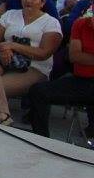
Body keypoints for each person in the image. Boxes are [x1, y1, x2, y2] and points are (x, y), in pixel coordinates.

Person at [0, 0, 62, 126]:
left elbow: (43, 54)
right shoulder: (10, 15)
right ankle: (2, 116)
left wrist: (13, 45)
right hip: (5, 60)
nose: (28, 1)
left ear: (42, 2)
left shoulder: (51, 22)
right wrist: (3, 48)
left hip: (34, 68)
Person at [26, 9, 94, 138]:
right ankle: (41, 139)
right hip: (82, 80)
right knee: (39, 91)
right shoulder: (81, 24)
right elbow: (74, 56)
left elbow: (80, 56)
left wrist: (85, 57)